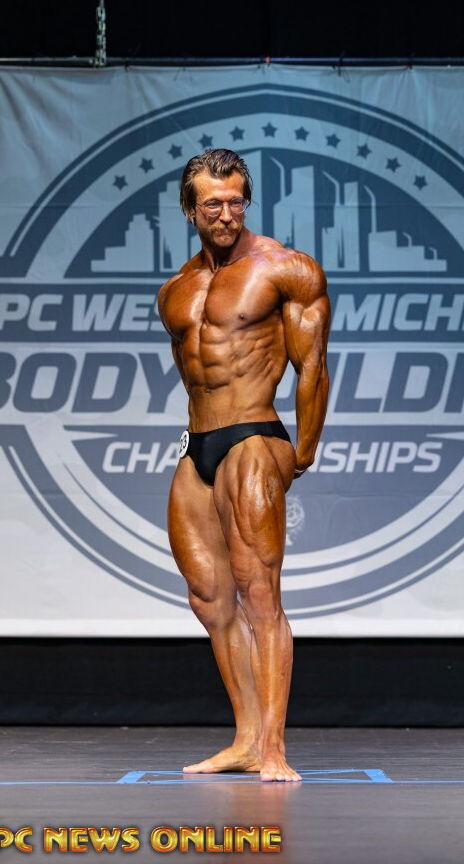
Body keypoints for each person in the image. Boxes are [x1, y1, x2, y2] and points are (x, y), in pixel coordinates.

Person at [157, 148, 330, 782]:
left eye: (236, 202)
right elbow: (193, 373)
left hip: (254, 433)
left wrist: (302, 450)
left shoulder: (285, 269)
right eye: (213, 205)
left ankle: (275, 749)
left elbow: (313, 367)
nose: (227, 215)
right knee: (209, 599)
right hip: (198, 442)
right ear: (190, 210)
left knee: (260, 597)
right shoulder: (176, 290)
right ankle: (247, 739)